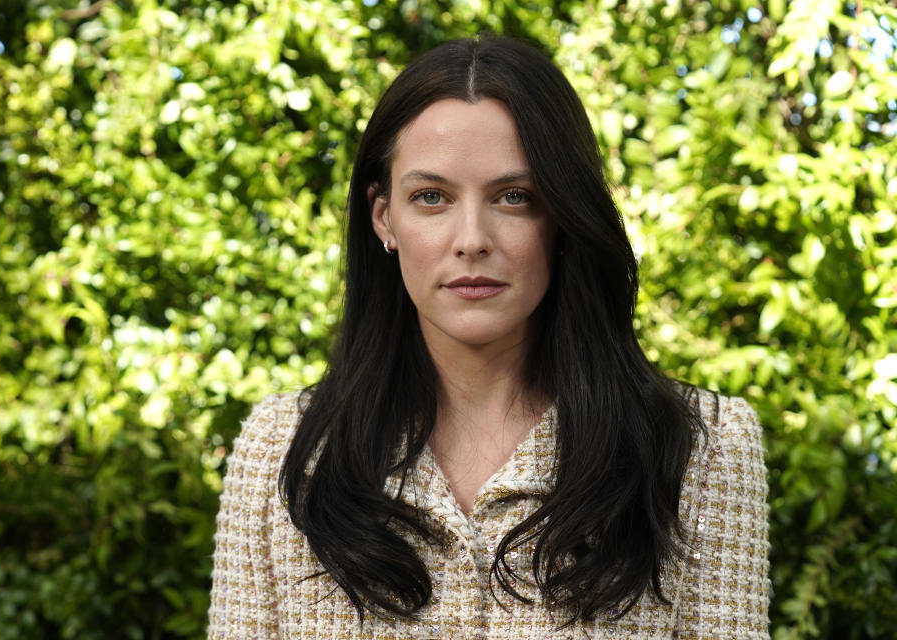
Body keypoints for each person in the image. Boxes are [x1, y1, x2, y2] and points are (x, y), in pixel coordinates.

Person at [208, 36, 770, 639]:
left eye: (513, 197)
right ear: (383, 219)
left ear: (562, 217)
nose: (472, 238)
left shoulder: (701, 448)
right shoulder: (282, 452)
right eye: (432, 197)